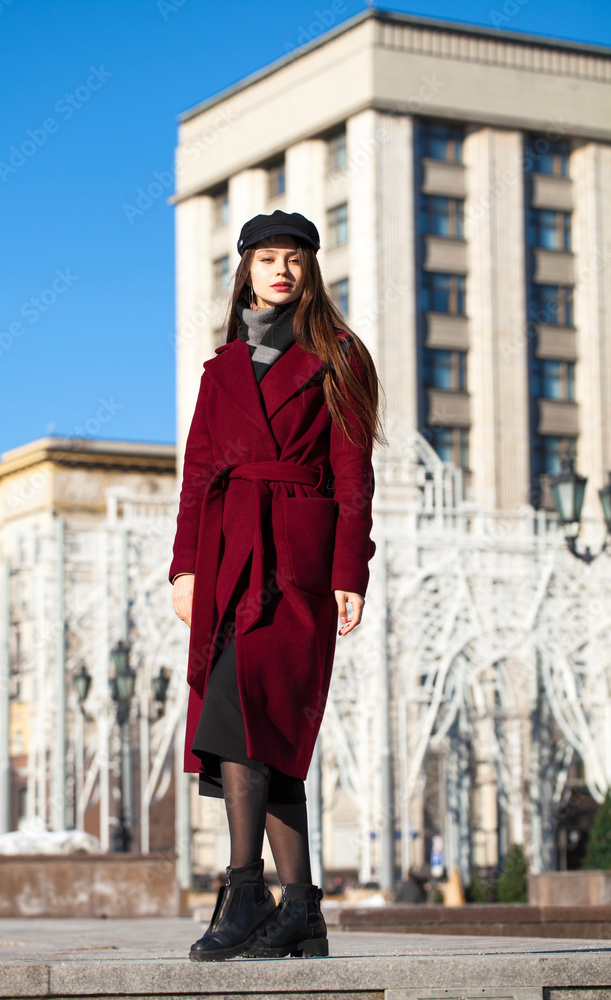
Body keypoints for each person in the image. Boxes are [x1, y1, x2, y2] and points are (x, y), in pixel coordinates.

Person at [169, 210, 383, 962]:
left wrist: (348, 572)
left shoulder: (339, 356)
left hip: (296, 558)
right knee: (265, 734)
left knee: (245, 718)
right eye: (266, 258)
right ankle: (300, 910)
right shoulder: (220, 369)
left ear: (310, 270)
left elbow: (354, 475)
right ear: (247, 271)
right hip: (228, 557)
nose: (280, 271)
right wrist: (186, 565)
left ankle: (242, 888)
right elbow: (197, 475)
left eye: (292, 257)